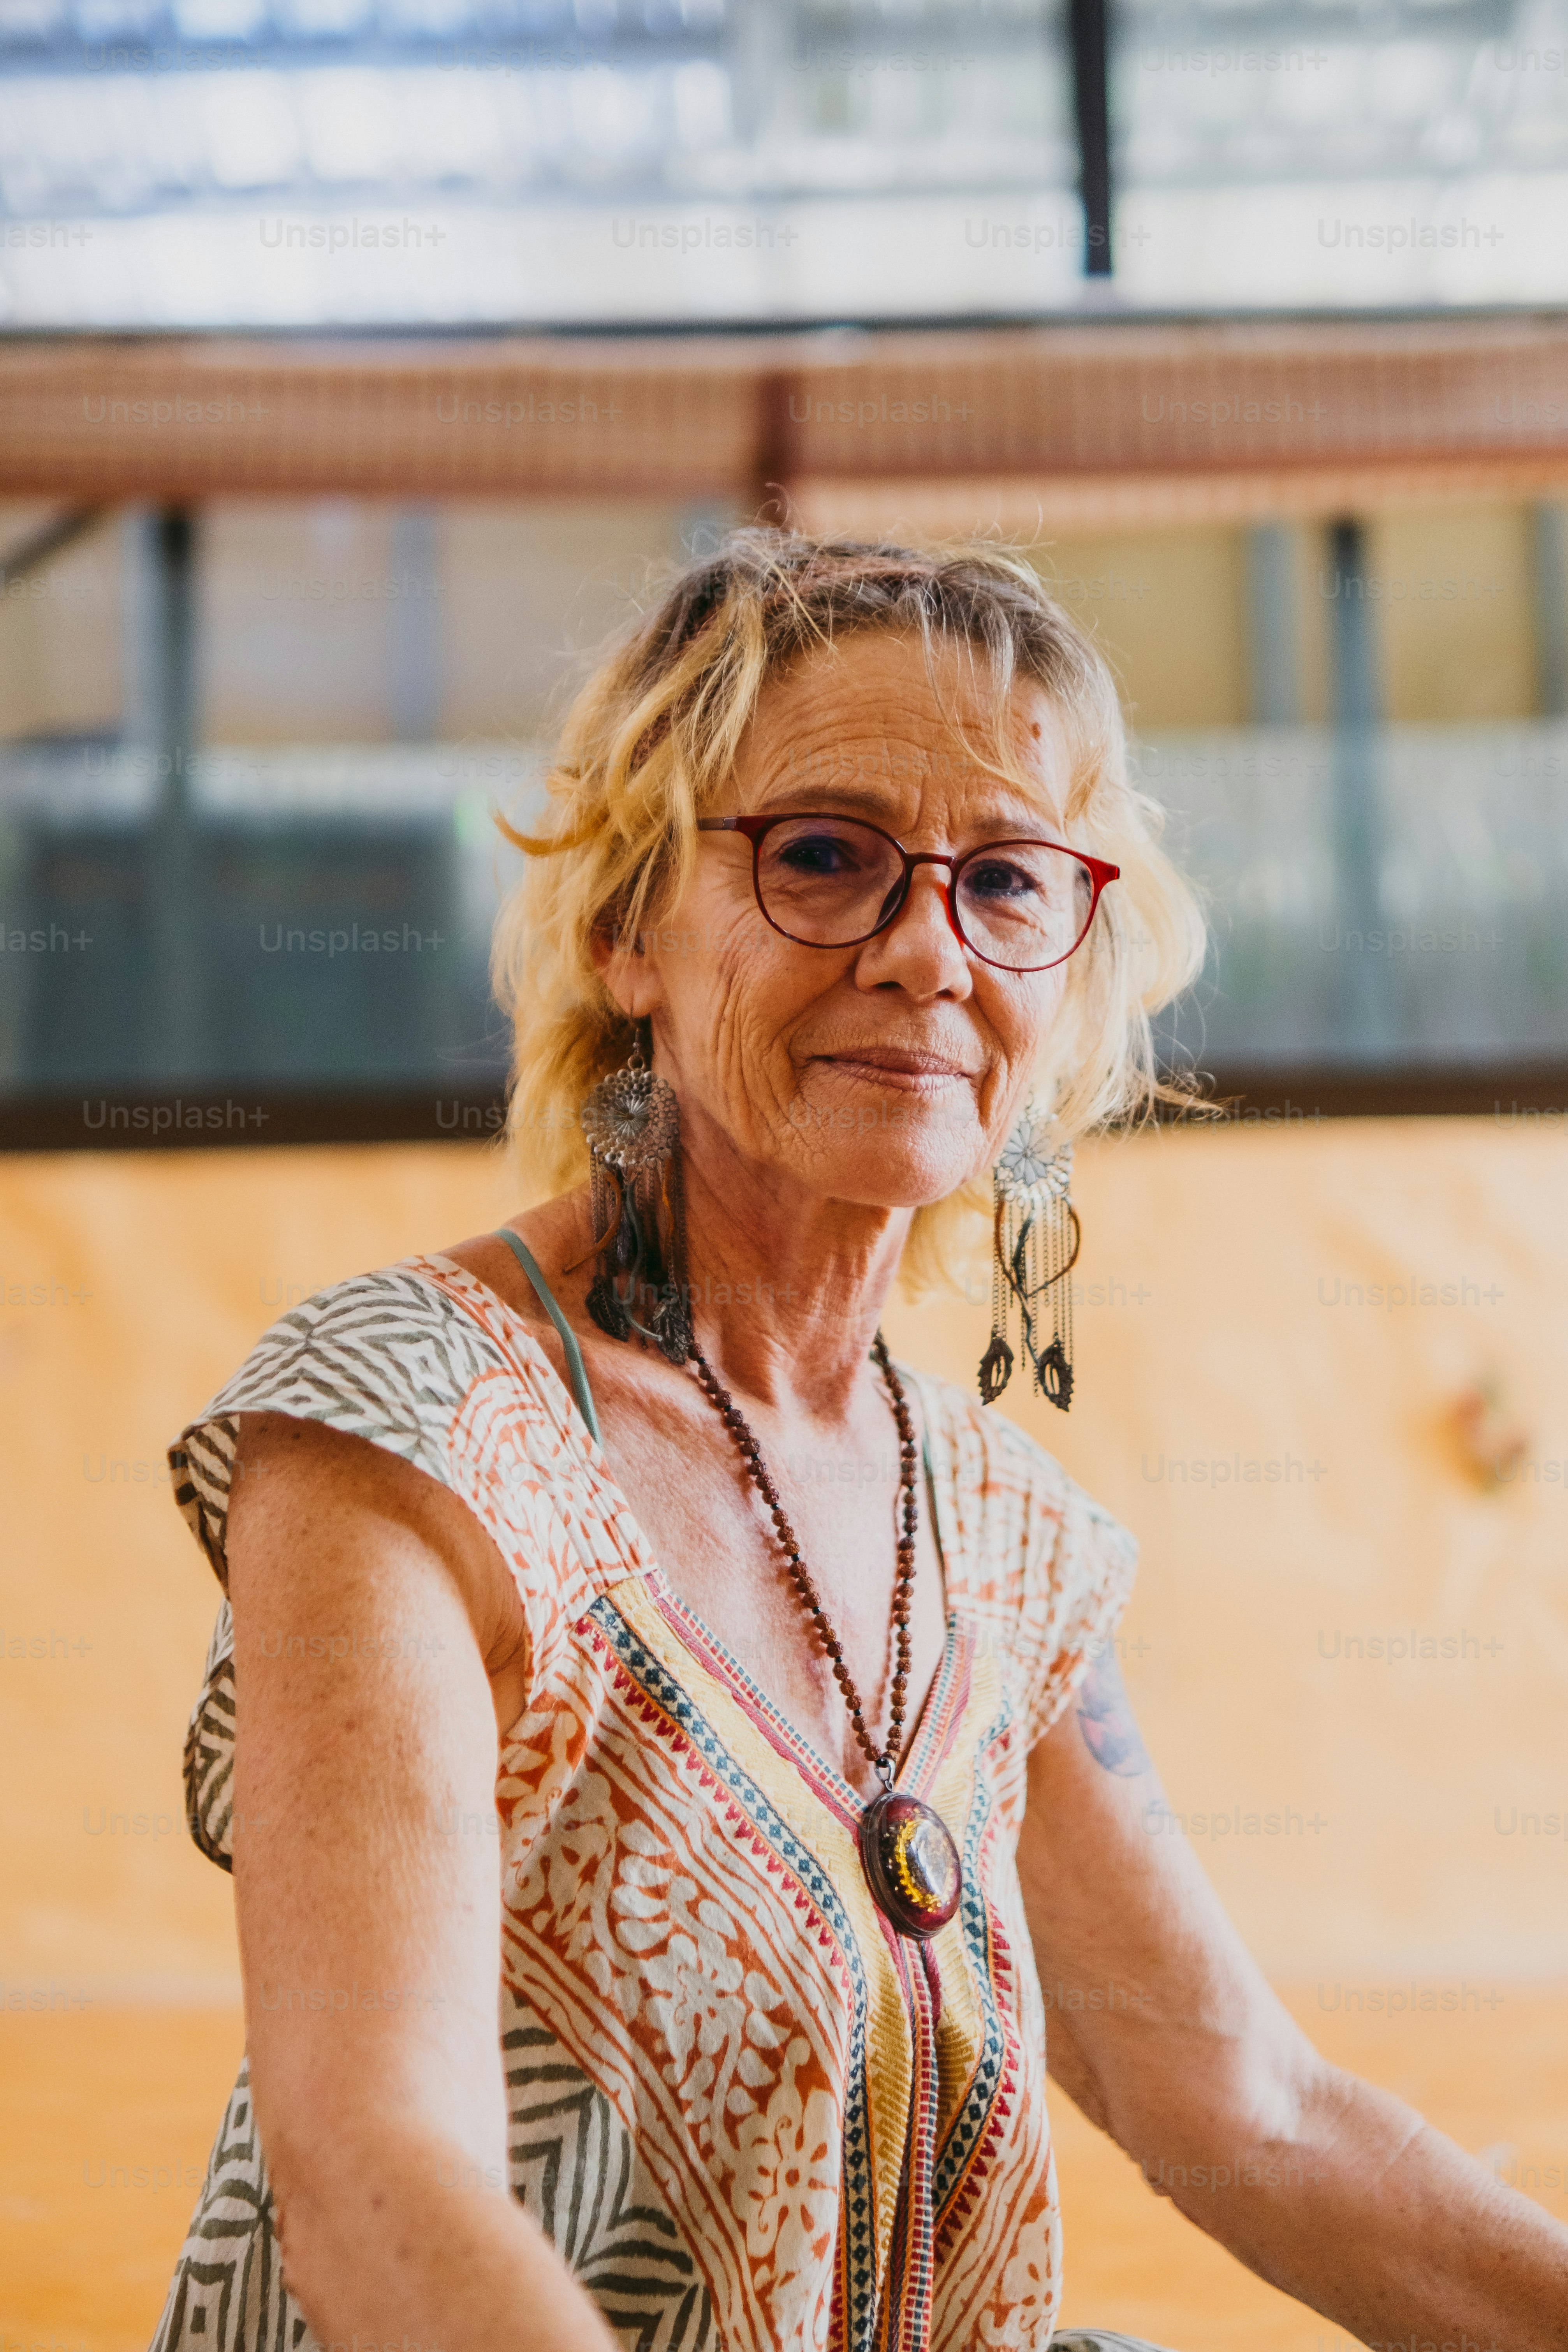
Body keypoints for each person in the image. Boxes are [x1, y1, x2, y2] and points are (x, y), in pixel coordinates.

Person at [151, 534, 1568, 2352]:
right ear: (625, 928)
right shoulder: (407, 1427)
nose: (926, 947)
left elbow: (1253, 2116)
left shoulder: (999, 1536)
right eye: (822, 857)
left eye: (1004, 882)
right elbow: (376, 2185)